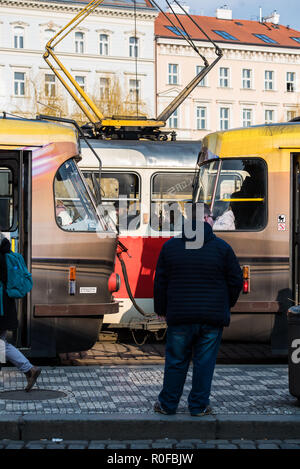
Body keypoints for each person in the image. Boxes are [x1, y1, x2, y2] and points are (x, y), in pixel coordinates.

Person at [153, 203, 243, 416]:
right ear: (207, 219)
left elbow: (160, 282)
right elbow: (236, 281)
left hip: (180, 316)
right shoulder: (222, 248)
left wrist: (161, 308)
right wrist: (226, 303)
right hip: (212, 317)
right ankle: (198, 406)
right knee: (204, 363)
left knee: (176, 361)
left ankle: (167, 404)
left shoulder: (170, 247)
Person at [0, 233, 41, 392]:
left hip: (1, 306)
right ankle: (29, 370)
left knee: (1, 344)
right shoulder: (6, 253)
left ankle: (29, 369)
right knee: (1, 343)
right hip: (5, 304)